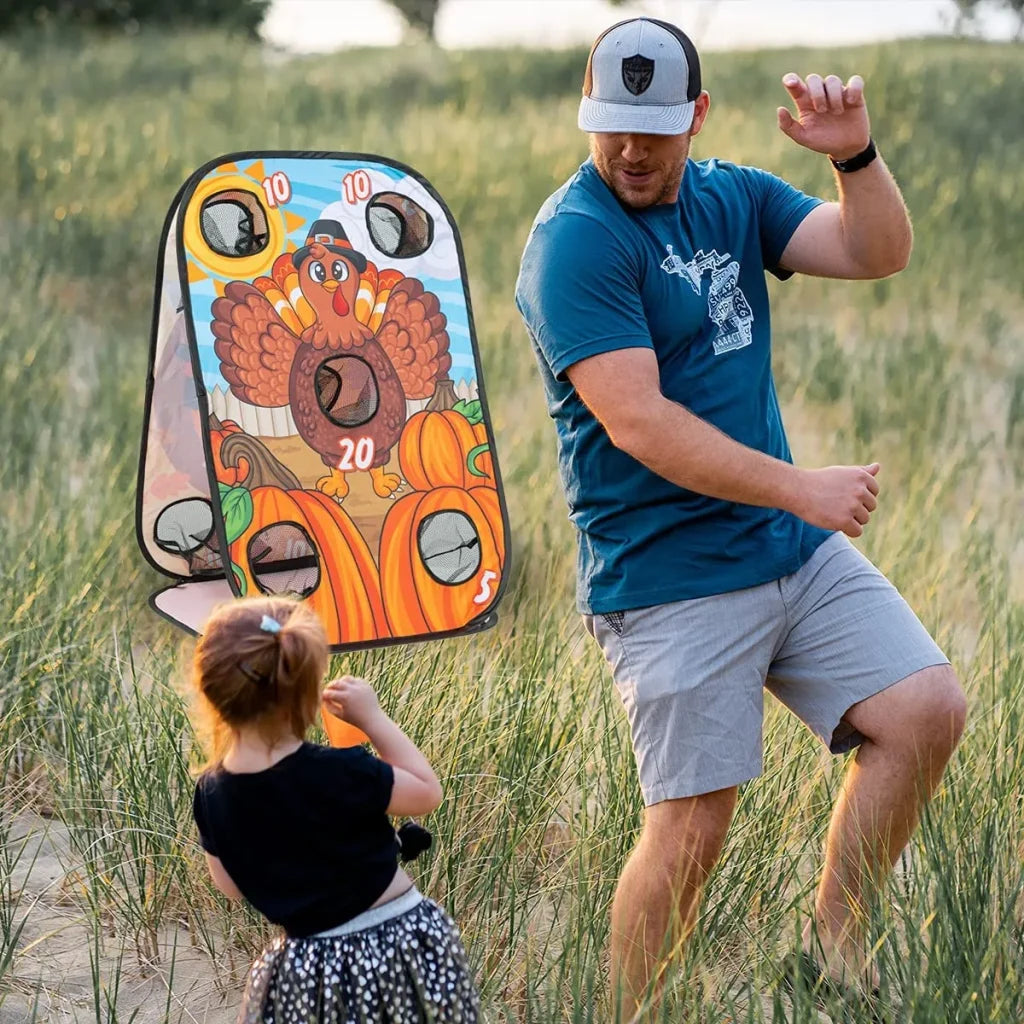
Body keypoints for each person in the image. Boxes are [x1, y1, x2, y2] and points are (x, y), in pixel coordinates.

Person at [514, 15, 966, 1020]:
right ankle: (629, 1013)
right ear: (587, 116)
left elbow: (873, 251)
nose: (629, 148)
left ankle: (834, 947)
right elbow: (638, 422)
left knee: (924, 710)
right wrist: (800, 487)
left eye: (653, 127)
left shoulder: (732, 197)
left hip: (783, 549)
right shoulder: (574, 242)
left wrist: (854, 155)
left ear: (696, 116)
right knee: (690, 827)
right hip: (665, 573)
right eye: (609, 125)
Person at [189, 595, 480, 1023]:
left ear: (211, 692)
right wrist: (373, 719)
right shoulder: (338, 770)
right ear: (307, 696)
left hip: (305, 968)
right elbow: (426, 793)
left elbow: (229, 885)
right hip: (396, 946)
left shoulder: (212, 793)